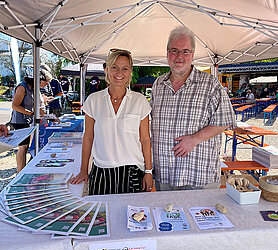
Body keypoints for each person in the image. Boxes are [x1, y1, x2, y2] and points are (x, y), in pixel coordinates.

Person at [150, 26, 236, 190]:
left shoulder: (210, 84)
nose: (179, 56)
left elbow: (225, 121)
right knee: (165, 215)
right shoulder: (158, 84)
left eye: (185, 51)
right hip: (164, 174)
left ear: (193, 55)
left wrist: (195, 138)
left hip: (198, 175)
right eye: (174, 50)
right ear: (167, 53)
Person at [71, 49, 153, 194]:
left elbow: (145, 140)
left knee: (132, 215)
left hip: (132, 172)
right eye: (114, 67)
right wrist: (83, 170)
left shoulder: (139, 100)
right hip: (101, 171)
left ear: (130, 72)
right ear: (106, 69)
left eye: (124, 68)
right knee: (102, 215)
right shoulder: (93, 100)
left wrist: (148, 171)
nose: (119, 73)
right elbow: (88, 137)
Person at [11, 68, 52, 173]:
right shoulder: (22, 87)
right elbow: (15, 106)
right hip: (20, 122)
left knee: (26, 147)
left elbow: (38, 107)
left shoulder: (33, 88)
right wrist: (31, 113)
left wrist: (49, 117)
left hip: (28, 121)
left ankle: (23, 170)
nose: (45, 85)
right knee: (23, 147)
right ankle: (20, 173)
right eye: (44, 82)